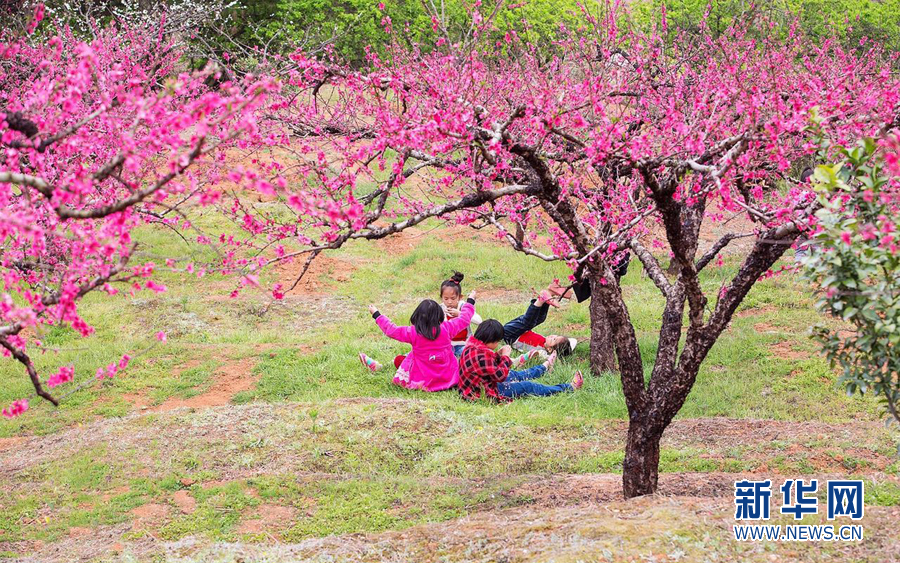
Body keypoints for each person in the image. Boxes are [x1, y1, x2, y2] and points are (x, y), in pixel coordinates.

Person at [359, 291, 476, 391]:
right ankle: (385, 365)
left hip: (423, 378)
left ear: (417, 316)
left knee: (410, 356)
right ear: (439, 316)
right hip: (448, 377)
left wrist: (376, 314)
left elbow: (391, 330)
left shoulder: (413, 332)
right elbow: (464, 319)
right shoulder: (447, 328)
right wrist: (470, 301)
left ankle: (382, 366)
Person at [458, 319, 583, 403]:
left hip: (475, 387)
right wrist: (506, 357)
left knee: (514, 375)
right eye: (497, 342)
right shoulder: (482, 354)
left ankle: (544, 367)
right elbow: (500, 375)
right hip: (483, 393)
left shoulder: (471, 346)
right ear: (492, 340)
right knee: (527, 386)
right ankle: (568, 387)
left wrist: (498, 355)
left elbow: (485, 368)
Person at [502, 287, 578, 359]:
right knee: (541, 318)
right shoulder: (546, 341)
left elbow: (548, 358)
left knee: (529, 323)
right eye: (556, 336)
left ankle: (541, 300)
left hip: (510, 336)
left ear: (549, 349)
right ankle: (550, 293)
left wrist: (554, 356)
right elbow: (573, 341)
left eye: (554, 339)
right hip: (520, 331)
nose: (552, 336)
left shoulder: (541, 352)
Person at [439, 272, 482, 357]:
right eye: (446, 298)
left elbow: (479, 321)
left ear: (460, 297)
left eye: (453, 298)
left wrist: (461, 314)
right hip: (447, 345)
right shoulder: (440, 309)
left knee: (474, 355)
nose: (449, 302)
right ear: (441, 297)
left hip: (464, 344)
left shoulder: (464, 307)